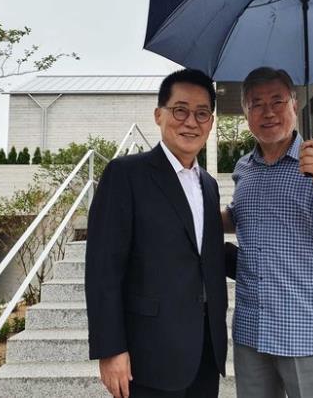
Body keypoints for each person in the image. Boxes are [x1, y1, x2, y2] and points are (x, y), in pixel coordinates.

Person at [222, 67, 313, 398]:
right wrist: (186, 211)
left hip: (310, 329)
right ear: (246, 113)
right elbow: (238, 216)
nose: (268, 112)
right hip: (253, 330)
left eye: (277, 101)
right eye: (256, 104)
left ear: (294, 103)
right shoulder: (244, 168)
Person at [86, 69, 228, 398]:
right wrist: (110, 349)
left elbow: (205, 255)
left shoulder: (209, 185)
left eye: (202, 113)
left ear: (210, 122)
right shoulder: (126, 174)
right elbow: (103, 269)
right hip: (147, 357)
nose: (191, 122)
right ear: (159, 115)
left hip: (205, 353)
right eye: (180, 110)